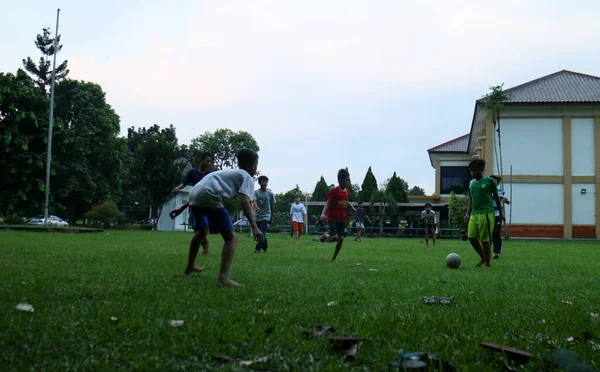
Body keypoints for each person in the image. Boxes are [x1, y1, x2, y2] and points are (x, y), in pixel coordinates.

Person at [185, 149, 263, 287]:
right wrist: (254, 227)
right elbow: (245, 200)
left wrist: (181, 207)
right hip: (210, 195)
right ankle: (223, 278)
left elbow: (202, 189)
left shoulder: (231, 173)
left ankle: (190, 266)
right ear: (253, 166)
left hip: (194, 195)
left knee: (202, 231)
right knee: (231, 237)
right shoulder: (246, 176)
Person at [170, 152, 214, 255]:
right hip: (194, 202)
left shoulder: (210, 175)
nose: (209, 163)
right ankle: (205, 243)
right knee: (195, 227)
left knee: (203, 226)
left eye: (211, 162)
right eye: (207, 161)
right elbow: (184, 183)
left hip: (206, 202)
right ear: (201, 160)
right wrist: (177, 188)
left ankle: (206, 245)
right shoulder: (192, 173)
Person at [463, 159, 504, 269]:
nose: (472, 173)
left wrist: (501, 212)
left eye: (474, 170)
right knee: (471, 237)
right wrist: (467, 213)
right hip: (474, 214)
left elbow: (496, 197)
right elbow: (471, 200)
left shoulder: (489, 181)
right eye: (471, 171)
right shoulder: (471, 183)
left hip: (486, 213)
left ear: (482, 170)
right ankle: (483, 257)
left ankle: (487, 263)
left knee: (485, 240)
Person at [321, 169, 356, 261]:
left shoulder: (346, 190)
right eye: (347, 180)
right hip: (332, 217)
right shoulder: (335, 191)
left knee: (341, 239)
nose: (349, 181)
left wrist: (352, 207)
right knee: (335, 237)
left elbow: (345, 201)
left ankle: (334, 258)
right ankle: (325, 236)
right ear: (340, 180)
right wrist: (323, 213)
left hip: (342, 218)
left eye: (349, 179)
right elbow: (328, 202)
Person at [490, 175, 511, 259]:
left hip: (498, 215)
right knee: (487, 234)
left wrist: (503, 199)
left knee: (495, 233)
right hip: (487, 214)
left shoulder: (501, 191)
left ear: (497, 183)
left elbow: (507, 201)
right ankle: (486, 251)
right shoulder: (486, 191)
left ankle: (496, 252)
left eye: (495, 181)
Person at [253, 175, 276, 253]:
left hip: (266, 215)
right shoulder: (256, 192)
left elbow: (272, 205)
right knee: (260, 232)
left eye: (266, 181)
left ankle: (257, 249)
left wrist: (272, 217)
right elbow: (254, 201)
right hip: (258, 215)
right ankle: (265, 246)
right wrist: (256, 207)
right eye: (263, 181)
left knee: (262, 231)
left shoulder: (270, 193)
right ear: (259, 183)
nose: (265, 183)